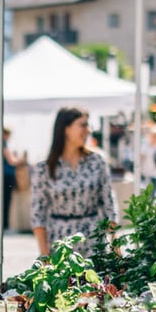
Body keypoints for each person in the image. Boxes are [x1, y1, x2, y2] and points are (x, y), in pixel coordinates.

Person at [30, 106, 119, 255]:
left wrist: (116, 246)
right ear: (66, 129)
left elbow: (109, 203)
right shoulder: (44, 168)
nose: (88, 130)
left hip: (93, 241)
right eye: (83, 125)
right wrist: (44, 255)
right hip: (60, 243)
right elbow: (37, 214)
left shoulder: (97, 162)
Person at [0, 128, 28, 233]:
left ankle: (4, 226)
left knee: (5, 202)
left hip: (5, 176)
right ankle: (5, 226)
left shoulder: (2, 145)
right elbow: (12, 161)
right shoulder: (3, 145)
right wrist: (21, 160)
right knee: (6, 202)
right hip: (7, 177)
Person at [139, 128, 156, 196]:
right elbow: (141, 157)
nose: (155, 138)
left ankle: (152, 200)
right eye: (154, 136)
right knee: (146, 189)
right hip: (147, 170)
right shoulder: (146, 146)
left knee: (154, 189)